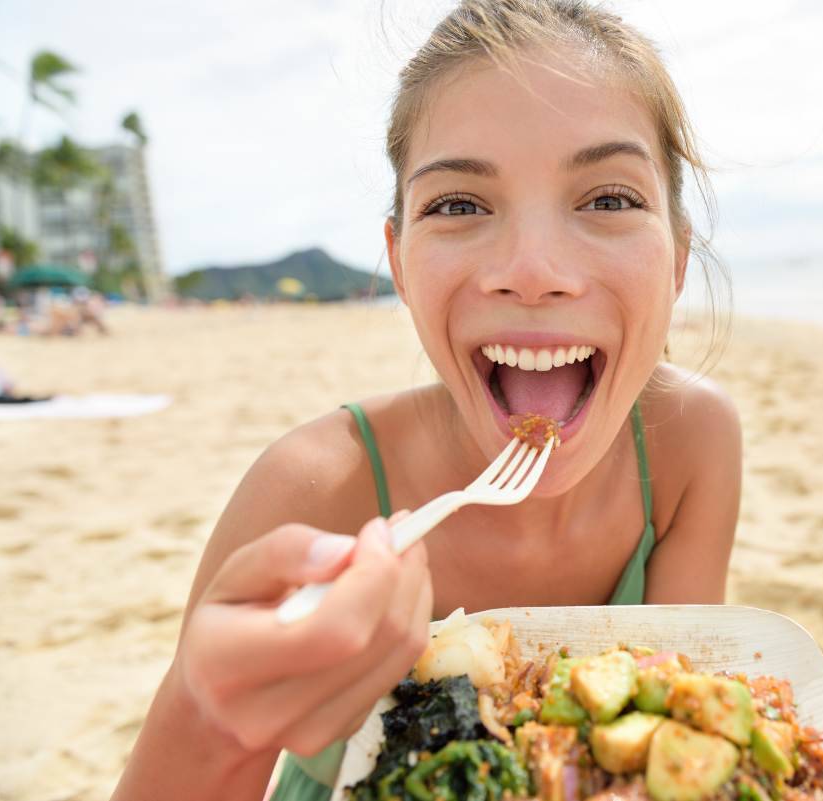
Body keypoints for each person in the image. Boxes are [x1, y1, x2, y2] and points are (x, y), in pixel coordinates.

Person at [111, 2, 742, 800]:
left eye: (609, 199)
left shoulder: (693, 443)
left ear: (679, 258)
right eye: (458, 204)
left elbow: (675, 740)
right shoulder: (314, 489)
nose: (534, 267)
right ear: (400, 263)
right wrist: (210, 712)